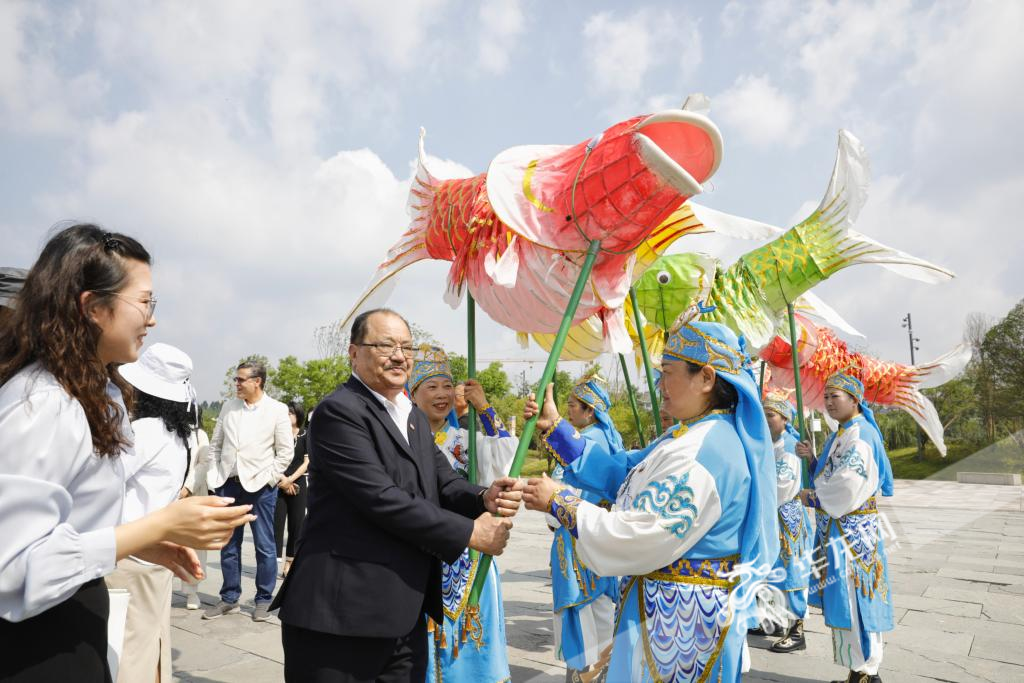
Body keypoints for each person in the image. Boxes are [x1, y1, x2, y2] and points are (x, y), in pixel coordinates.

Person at [0, 224, 253, 682]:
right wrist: (153, 526)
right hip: (36, 645)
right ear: (93, 307)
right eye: (145, 302)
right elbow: (13, 570)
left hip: (70, 623)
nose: (152, 319)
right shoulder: (43, 402)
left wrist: (139, 540)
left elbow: (66, 525)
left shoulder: (90, 394)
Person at [272, 308, 522, 683]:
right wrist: (469, 533)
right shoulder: (339, 411)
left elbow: (441, 481)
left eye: (406, 347)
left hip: (403, 613)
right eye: (385, 345)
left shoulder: (411, 415)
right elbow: (381, 498)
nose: (399, 355)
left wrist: (484, 496)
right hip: (340, 616)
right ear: (354, 353)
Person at [523, 319, 778, 683]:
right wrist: (558, 431)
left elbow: (642, 534)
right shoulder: (687, 436)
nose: (659, 385)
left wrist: (561, 502)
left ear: (706, 378)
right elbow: (624, 473)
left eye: (668, 373)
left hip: (682, 627)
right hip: (666, 614)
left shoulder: (707, 451)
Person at [408, 347, 517, 683]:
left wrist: (483, 407)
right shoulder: (400, 440)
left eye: (446, 386)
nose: (441, 394)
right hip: (419, 552)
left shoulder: (464, 439)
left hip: (468, 557)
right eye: (431, 386)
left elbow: (503, 456)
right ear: (412, 394)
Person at [107, 342, 199, 682]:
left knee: (127, 649)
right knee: (154, 643)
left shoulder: (143, 431)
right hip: (156, 556)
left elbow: (106, 482)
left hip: (129, 553)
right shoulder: (181, 437)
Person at [796, 372, 894, 683]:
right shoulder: (842, 434)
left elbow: (844, 489)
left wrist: (808, 496)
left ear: (855, 400)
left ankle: (867, 673)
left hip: (852, 539)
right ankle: (859, 672)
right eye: (825, 397)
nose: (828, 402)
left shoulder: (861, 436)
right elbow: (829, 476)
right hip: (841, 534)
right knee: (850, 604)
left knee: (858, 604)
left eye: (834, 396)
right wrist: (812, 459)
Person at [543, 372, 621, 681]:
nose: (569, 409)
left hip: (580, 542)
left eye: (573, 404)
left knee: (585, 621)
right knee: (599, 620)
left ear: (590, 410)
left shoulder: (588, 442)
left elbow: (565, 495)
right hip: (598, 543)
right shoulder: (607, 438)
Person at [205, 360, 294, 622]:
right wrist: (215, 476)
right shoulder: (228, 407)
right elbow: (216, 445)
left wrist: (270, 478)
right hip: (228, 484)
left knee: (265, 546)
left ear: (258, 381)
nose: (237, 384)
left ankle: (264, 600)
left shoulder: (277, 410)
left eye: (241, 379)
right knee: (228, 544)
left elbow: (285, 452)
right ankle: (229, 598)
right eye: (236, 379)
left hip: (260, 488)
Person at [757, 391, 813, 653]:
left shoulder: (789, 446)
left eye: (771, 415)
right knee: (772, 571)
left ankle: (797, 630)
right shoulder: (767, 445)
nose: (765, 419)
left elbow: (782, 487)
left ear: (784, 418)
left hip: (787, 519)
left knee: (793, 573)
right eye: (763, 414)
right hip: (772, 518)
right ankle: (776, 621)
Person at [180, 406, 211, 610]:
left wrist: (188, 487)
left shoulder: (200, 436)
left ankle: (192, 591)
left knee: (195, 545)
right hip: (169, 494)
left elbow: (204, 464)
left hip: (194, 495)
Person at [274, 400, 309, 578]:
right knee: (277, 524)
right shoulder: (278, 434)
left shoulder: (305, 435)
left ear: (298, 415)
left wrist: (291, 480)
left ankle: (290, 563)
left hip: (299, 484)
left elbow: (307, 462)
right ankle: (274, 562)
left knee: (296, 524)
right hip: (278, 482)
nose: (288, 416)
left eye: (291, 413)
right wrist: (283, 481)